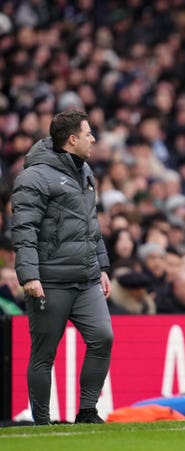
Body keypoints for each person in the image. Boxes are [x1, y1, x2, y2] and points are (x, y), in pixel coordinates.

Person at [11, 110, 114, 425]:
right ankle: (42, 422)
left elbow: (90, 225)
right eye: (88, 134)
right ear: (72, 139)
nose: (93, 139)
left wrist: (102, 266)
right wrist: (29, 276)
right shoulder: (34, 177)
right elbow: (23, 229)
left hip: (85, 279)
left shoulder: (85, 172)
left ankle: (86, 411)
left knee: (103, 337)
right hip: (51, 280)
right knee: (44, 355)